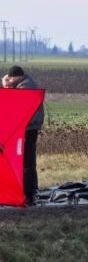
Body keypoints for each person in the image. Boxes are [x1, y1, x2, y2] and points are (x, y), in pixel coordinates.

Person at [3, 66, 45, 206]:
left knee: (27, 162)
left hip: (28, 128)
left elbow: (15, 103)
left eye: (10, 78)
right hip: (29, 127)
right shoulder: (25, 83)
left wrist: (6, 87)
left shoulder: (25, 87)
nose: (9, 80)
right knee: (26, 162)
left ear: (15, 77)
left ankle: (30, 194)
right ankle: (29, 192)